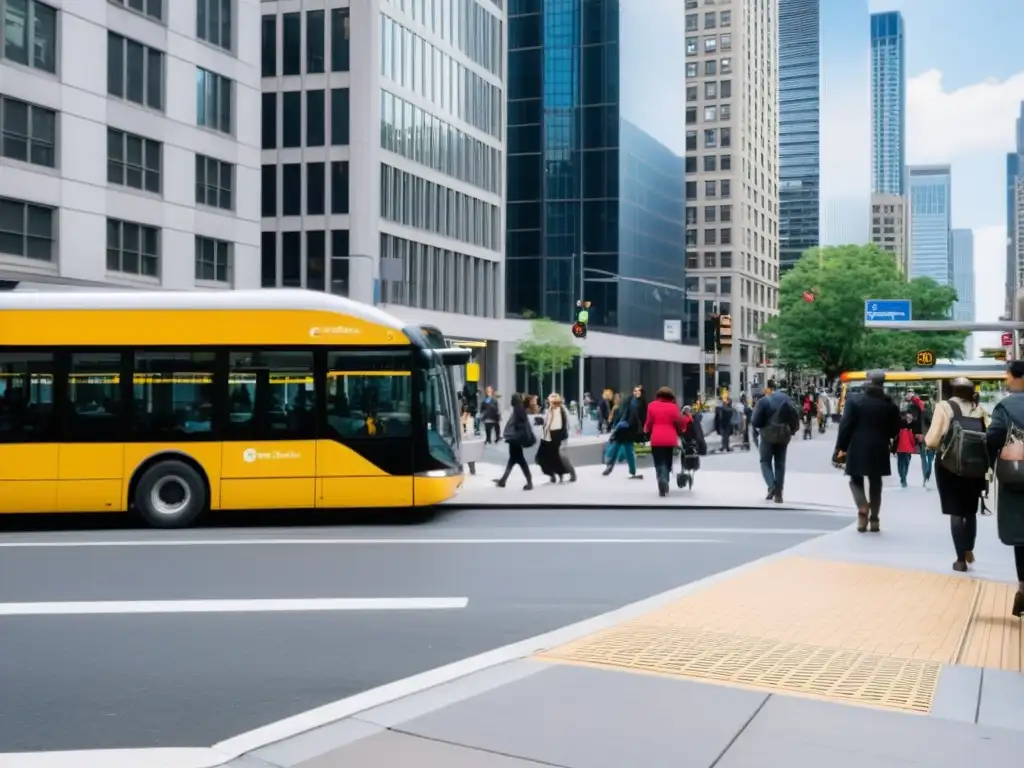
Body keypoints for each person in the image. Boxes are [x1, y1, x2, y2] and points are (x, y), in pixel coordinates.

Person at [925, 377, 989, 572]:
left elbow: (932, 440)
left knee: (956, 511)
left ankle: (960, 559)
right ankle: (969, 549)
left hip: (949, 466)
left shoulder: (944, 407)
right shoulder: (980, 409)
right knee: (970, 510)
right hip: (975, 468)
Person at [835, 370, 900, 532]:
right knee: (876, 483)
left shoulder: (854, 401)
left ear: (867, 382)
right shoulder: (889, 404)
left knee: (855, 479)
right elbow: (894, 431)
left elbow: (846, 426)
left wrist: (840, 447)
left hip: (856, 446)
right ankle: (875, 519)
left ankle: (862, 507)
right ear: (882, 383)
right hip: (879, 447)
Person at [984, 360, 1024, 616]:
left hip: (1017, 478)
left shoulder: (1006, 406)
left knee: (1021, 537)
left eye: (1008, 376)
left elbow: (993, 436)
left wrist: (990, 463)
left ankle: (1023, 587)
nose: (1006, 380)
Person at [750, 379, 800, 503]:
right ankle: (779, 494)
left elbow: (755, 421)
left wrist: (763, 427)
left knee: (765, 461)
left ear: (771, 389)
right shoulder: (789, 400)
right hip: (784, 435)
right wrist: (791, 431)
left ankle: (771, 486)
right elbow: (795, 418)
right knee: (780, 464)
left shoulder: (764, 401)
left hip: (767, 436)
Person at [644, 386, 690, 496]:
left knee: (658, 461)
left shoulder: (651, 406)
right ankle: (665, 479)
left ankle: (661, 478)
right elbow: (680, 422)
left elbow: (649, 422)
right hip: (669, 439)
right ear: (671, 397)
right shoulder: (673, 407)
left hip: (656, 438)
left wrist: (646, 430)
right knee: (667, 460)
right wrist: (685, 423)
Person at [493, 393, 534, 490]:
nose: (510, 400)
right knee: (513, 460)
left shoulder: (518, 409)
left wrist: (514, 430)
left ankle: (529, 482)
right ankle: (503, 480)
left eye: (512, 399)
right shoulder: (518, 408)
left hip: (515, 439)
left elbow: (522, 423)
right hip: (515, 439)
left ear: (514, 400)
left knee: (519, 461)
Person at [603, 385, 645, 479]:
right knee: (627, 449)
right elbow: (636, 418)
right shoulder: (636, 403)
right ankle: (632, 471)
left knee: (617, 446)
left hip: (623, 428)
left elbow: (622, 416)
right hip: (628, 428)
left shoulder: (629, 402)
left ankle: (610, 464)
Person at [536, 393, 576, 483]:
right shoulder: (553, 410)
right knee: (548, 457)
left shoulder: (561, 410)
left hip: (557, 438)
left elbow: (561, 425)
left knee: (557, 457)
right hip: (551, 438)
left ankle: (566, 473)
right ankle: (555, 474)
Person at [895, 411, 918, 488]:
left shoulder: (900, 430)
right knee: (906, 464)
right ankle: (903, 478)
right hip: (907, 450)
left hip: (900, 449)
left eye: (910, 418)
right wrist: (913, 446)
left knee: (900, 464)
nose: (909, 419)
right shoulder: (908, 430)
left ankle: (902, 477)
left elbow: (896, 439)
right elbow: (912, 440)